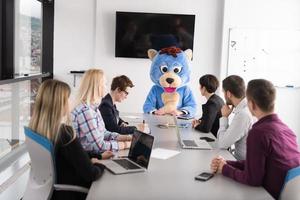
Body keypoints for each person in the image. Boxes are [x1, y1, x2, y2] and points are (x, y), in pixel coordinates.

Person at [210, 79, 300, 199]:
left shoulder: (258, 133)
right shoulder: (286, 129)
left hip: (267, 194)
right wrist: (228, 163)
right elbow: (257, 164)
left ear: (251, 104)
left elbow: (253, 179)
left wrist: (225, 169)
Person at [28, 79, 108, 200]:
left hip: (51, 189)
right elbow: (91, 174)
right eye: (68, 98)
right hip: (70, 191)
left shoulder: (36, 129)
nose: (70, 102)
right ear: (60, 103)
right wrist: (100, 165)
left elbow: (72, 154)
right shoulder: (64, 133)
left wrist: (98, 156)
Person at [71, 69, 132, 154]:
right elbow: (99, 146)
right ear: (97, 86)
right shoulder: (85, 111)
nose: (106, 87)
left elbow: (104, 133)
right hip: (85, 159)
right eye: (105, 84)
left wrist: (127, 138)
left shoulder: (93, 108)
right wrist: (125, 145)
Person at [217, 75, 254, 160]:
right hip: (238, 159)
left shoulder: (243, 115)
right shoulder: (247, 108)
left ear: (229, 94)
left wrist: (224, 117)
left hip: (242, 165)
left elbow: (222, 144)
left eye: (223, 92)